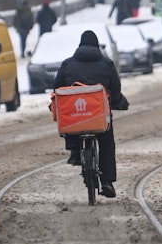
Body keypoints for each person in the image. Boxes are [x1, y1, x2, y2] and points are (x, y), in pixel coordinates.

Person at [54, 29, 128, 198]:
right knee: (107, 143)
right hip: (99, 115)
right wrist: (117, 101)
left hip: (76, 117)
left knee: (73, 120)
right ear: (97, 46)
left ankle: (75, 153)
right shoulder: (107, 64)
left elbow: (57, 88)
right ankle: (107, 181)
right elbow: (115, 88)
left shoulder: (67, 64)